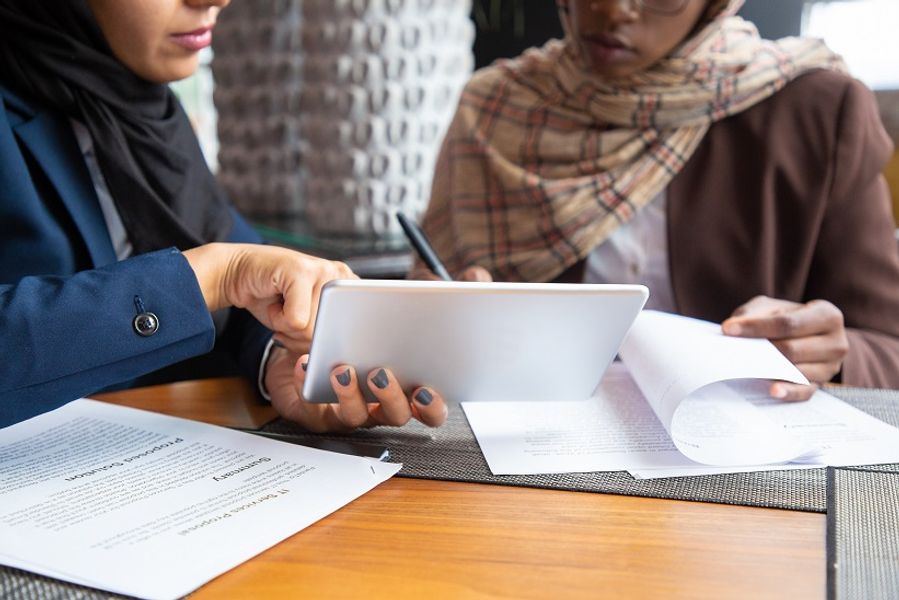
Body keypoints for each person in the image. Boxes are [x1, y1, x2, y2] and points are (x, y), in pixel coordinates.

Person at [414, 0, 899, 400]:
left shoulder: (815, 113)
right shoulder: (495, 110)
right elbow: (422, 325)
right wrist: (445, 318)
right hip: (515, 465)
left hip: (738, 476)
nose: (614, 10)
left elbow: (887, 348)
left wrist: (833, 354)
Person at [0, 0, 448, 430]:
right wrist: (213, 277)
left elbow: (243, 289)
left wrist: (282, 361)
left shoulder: (139, 110)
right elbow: (224, 271)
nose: (215, 0)